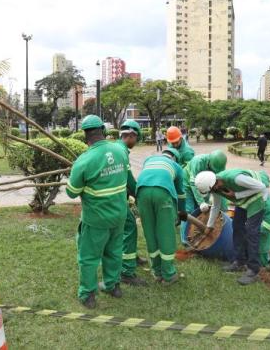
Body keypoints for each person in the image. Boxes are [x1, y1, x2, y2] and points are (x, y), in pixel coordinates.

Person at [65, 115, 130, 309]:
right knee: (114, 251)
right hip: (119, 214)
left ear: (84, 135)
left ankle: (88, 295)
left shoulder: (83, 161)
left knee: (89, 257)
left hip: (96, 219)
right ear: (103, 129)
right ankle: (113, 286)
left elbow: (71, 192)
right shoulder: (120, 150)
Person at [194, 168, 270, 285]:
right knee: (237, 225)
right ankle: (239, 262)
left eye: (212, 189)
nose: (214, 191)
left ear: (215, 183)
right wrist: (209, 225)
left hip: (257, 198)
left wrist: (237, 194)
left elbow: (261, 187)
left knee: (251, 231)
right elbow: (216, 206)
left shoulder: (236, 179)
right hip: (243, 201)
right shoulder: (215, 187)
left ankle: (253, 270)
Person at [136, 148, 187, 284]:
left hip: (141, 193)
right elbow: (181, 193)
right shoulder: (176, 166)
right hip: (162, 193)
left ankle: (157, 272)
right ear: (174, 159)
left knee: (150, 232)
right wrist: (181, 213)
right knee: (166, 233)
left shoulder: (149, 160)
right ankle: (169, 274)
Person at [117, 119, 147, 286]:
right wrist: (138, 194)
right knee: (130, 227)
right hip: (116, 199)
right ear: (131, 135)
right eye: (137, 139)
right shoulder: (122, 152)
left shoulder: (117, 148)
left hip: (115, 197)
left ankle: (131, 256)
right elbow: (129, 180)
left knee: (122, 230)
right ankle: (127, 272)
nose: (136, 143)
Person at [179, 150, 227, 245]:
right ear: (209, 163)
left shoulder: (218, 167)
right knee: (189, 210)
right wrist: (201, 202)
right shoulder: (199, 161)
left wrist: (224, 209)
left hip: (202, 184)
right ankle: (184, 238)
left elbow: (219, 190)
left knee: (204, 210)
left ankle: (200, 230)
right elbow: (192, 183)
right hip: (187, 183)